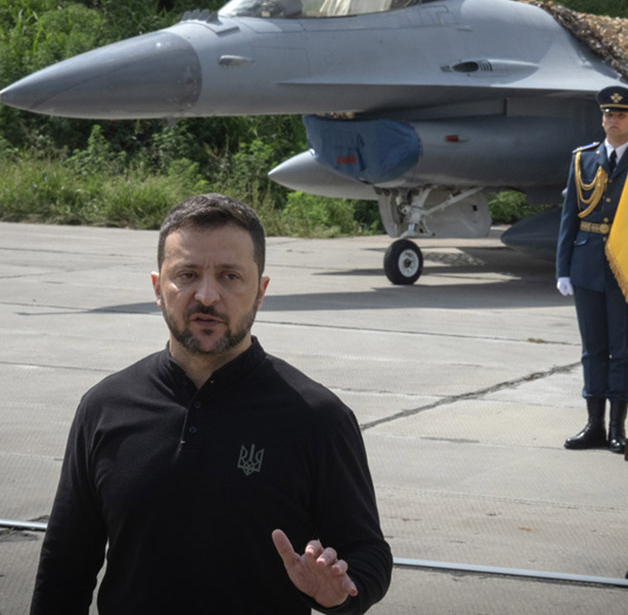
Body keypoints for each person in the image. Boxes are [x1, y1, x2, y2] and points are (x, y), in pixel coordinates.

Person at [31, 193, 392, 614]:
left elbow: (368, 554)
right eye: (186, 274)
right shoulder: (104, 407)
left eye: (230, 276)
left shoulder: (317, 418)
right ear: (157, 288)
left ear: (260, 291)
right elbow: (64, 568)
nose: (206, 295)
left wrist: (338, 591)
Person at [556, 86, 628, 454]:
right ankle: (594, 424)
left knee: (621, 351)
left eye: (621, 115)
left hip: (627, 267)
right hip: (587, 263)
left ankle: (616, 428)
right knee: (592, 349)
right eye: (608, 114)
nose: (613, 120)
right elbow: (569, 217)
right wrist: (563, 267)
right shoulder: (583, 160)